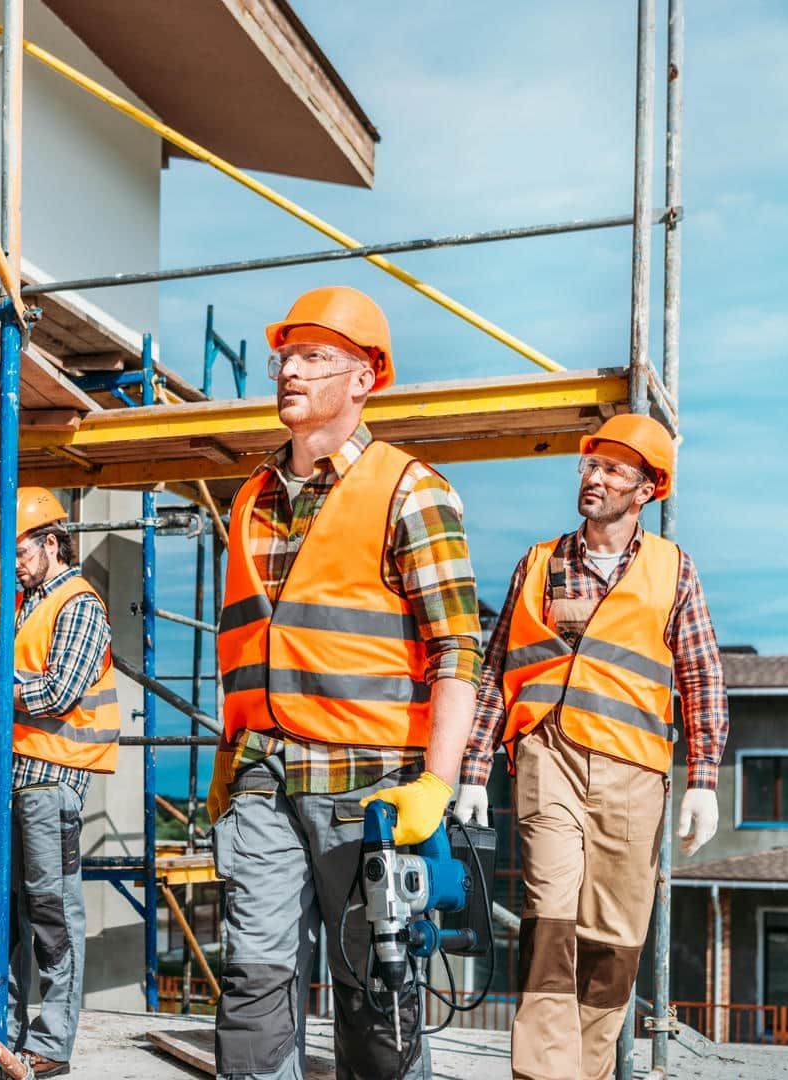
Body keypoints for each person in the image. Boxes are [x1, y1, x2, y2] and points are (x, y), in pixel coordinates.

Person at [209, 285, 482, 1080]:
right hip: (262, 776)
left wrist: (439, 781)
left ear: (365, 378)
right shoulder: (253, 498)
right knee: (254, 983)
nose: (290, 371)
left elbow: (458, 650)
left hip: (369, 792)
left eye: (314, 357)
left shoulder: (410, 491)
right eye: (285, 357)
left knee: (377, 993)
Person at [456, 413, 727, 1080]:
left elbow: (701, 675)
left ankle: (589, 1068)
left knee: (614, 937)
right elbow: (497, 669)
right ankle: (542, 1074)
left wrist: (703, 781)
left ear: (646, 490)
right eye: (589, 466)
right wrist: (472, 771)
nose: (595, 479)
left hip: (633, 772)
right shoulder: (540, 562)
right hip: (547, 757)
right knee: (549, 920)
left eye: (612, 470)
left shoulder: (673, 570)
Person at [0, 487, 119, 1078]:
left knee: (51, 916)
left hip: (50, 784)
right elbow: (22, 682)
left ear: (50, 542)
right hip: (9, 781)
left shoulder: (80, 604)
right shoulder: (25, 605)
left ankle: (50, 1044)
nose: (11, 564)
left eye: (18, 551)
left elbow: (58, 693)